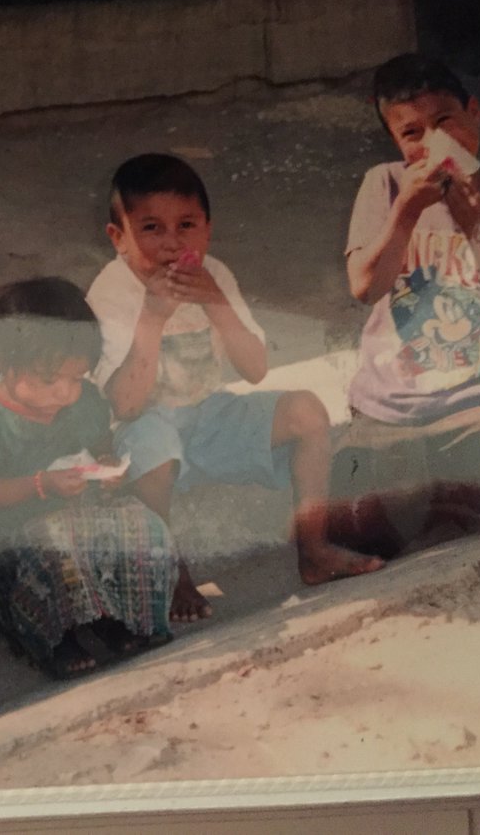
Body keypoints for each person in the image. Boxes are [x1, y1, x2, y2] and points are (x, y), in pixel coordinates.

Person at [87, 153, 384, 611]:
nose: (171, 243)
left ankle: (314, 548)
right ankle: (169, 570)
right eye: (151, 228)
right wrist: (151, 318)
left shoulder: (216, 275)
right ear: (118, 239)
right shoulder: (110, 293)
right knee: (153, 445)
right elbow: (126, 406)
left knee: (306, 410)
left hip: (210, 416)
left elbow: (255, 369)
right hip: (144, 428)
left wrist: (218, 306)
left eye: (186, 226)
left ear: (207, 228)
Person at [332, 52, 480, 551]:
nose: (433, 143)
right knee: (359, 530)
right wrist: (407, 213)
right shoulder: (385, 185)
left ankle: (445, 492)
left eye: (444, 122)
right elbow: (366, 287)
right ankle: (431, 496)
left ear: (474, 113)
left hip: (476, 403)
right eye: (412, 133)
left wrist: (478, 230)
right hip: (391, 409)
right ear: (395, 140)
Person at [0, 277, 177, 679]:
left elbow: (100, 446)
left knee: (141, 523)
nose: (64, 393)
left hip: (82, 513)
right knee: (58, 541)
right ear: (7, 364)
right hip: (18, 529)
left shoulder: (85, 404)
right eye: (49, 380)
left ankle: (118, 616)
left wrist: (109, 469)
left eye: (76, 379)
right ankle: (55, 636)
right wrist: (41, 484)